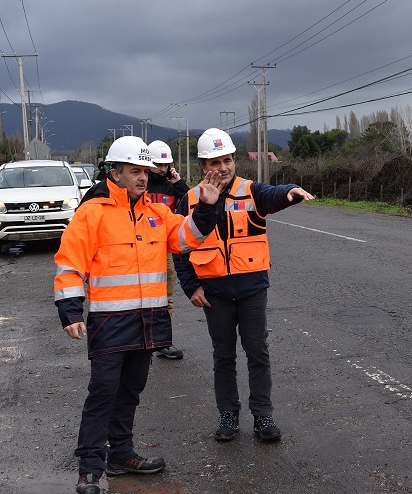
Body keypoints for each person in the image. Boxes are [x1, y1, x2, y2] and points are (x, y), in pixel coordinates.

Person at [54, 136, 225, 494]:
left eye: (146, 171)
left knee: (131, 390)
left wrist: (206, 208)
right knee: (103, 392)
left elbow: (185, 239)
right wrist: (70, 310)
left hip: (146, 321)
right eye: (135, 171)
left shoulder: (157, 212)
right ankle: (90, 470)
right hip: (110, 322)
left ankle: (121, 455)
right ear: (114, 173)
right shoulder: (92, 212)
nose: (143, 178)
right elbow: (70, 263)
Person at [173, 128, 314, 443]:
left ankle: (263, 416)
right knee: (223, 355)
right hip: (214, 294)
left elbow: (274, 194)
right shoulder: (190, 199)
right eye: (214, 162)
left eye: (227, 160)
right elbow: (178, 246)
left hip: (251, 289)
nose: (222, 167)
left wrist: (291, 192)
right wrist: (190, 285)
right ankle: (228, 414)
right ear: (202, 166)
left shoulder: (251, 191)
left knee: (257, 352)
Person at [147, 140, 191, 360]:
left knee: (166, 297)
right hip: (142, 247)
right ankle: (139, 340)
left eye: (165, 165)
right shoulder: (141, 184)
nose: (162, 169)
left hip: (165, 249)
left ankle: (164, 342)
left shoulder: (171, 186)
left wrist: (179, 183)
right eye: (158, 164)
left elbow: (192, 204)